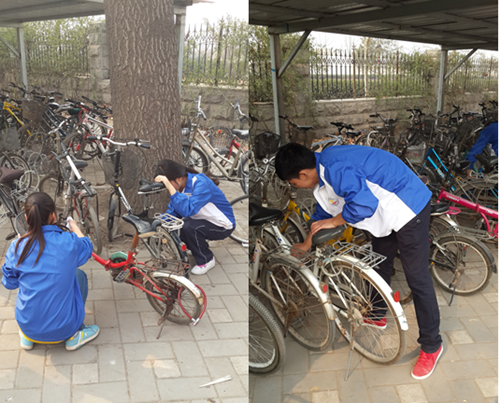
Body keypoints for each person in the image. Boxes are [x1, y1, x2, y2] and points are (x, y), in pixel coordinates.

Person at [274, 143, 443, 380]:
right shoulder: (321, 171)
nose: (296, 187)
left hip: (408, 206)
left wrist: (336, 222)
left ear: (303, 174)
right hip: (385, 211)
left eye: (294, 183)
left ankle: (432, 345)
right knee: (379, 262)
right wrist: (306, 243)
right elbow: (324, 214)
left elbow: (363, 205)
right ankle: (377, 314)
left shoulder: (335, 168)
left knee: (417, 278)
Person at [1, 192, 99, 351]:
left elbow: (9, 283)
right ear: (53, 215)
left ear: (26, 217)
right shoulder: (69, 241)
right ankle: (74, 335)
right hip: (64, 329)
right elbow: (88, 247)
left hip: (26, 325)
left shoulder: (17, 247)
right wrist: (75, 227)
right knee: (79, 275)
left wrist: (19, 248)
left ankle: (27, 338)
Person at [154, 159, 235, 275]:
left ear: (178, 178)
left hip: (222, 225)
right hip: (203, 221)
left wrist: (171, 190)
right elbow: (174, 212)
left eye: (168, 183)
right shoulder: (180, 187)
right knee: (178, 228)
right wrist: (159, 222)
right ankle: (196, 248)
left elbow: (187, 210)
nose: (167, 188)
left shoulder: (200, 183)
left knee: (190, 227)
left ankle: (206, 259)